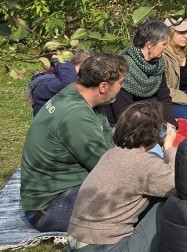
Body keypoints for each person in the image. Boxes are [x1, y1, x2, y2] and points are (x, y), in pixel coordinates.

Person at [65, 103, 176, 252]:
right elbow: (180, 182)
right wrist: (169, 148)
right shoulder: (144, 165)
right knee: (172, 203)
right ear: (154, 134)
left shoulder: (110, 154)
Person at [19, 53, 126, 231]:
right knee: (135, 203)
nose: (122, 88)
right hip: (48, 207)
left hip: (68, 189)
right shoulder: (76, 115)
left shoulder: (85, 99)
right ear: (103, 86)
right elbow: (107, 168)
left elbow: (110, 145)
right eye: (121, 83)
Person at [111, 19, 176, 128]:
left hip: (157, 119)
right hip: (132, 126)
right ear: (149, 45)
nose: (166, 47)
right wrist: (160, 127)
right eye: (163, 44)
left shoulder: (158, 64)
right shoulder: (123, 67)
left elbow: (164, 98)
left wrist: (172, 124)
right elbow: (123, 110)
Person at [27, 46, 88, 115]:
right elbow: (69, 82)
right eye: (82, 71)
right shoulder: (47, 84)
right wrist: (61, 58)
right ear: (70, 68)